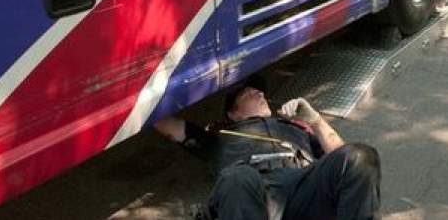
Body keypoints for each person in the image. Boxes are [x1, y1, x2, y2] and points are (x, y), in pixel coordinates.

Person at [154, 77, 381, 220]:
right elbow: (167, 125)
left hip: (305, 187)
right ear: (233, 113)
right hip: (257, 196)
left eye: (260, 92)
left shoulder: (294, 127)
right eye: (249, 94)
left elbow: (343, 158)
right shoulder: (219, 138)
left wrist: (315, 121)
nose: (260, 94)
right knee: (237, 175)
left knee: (361, 156)